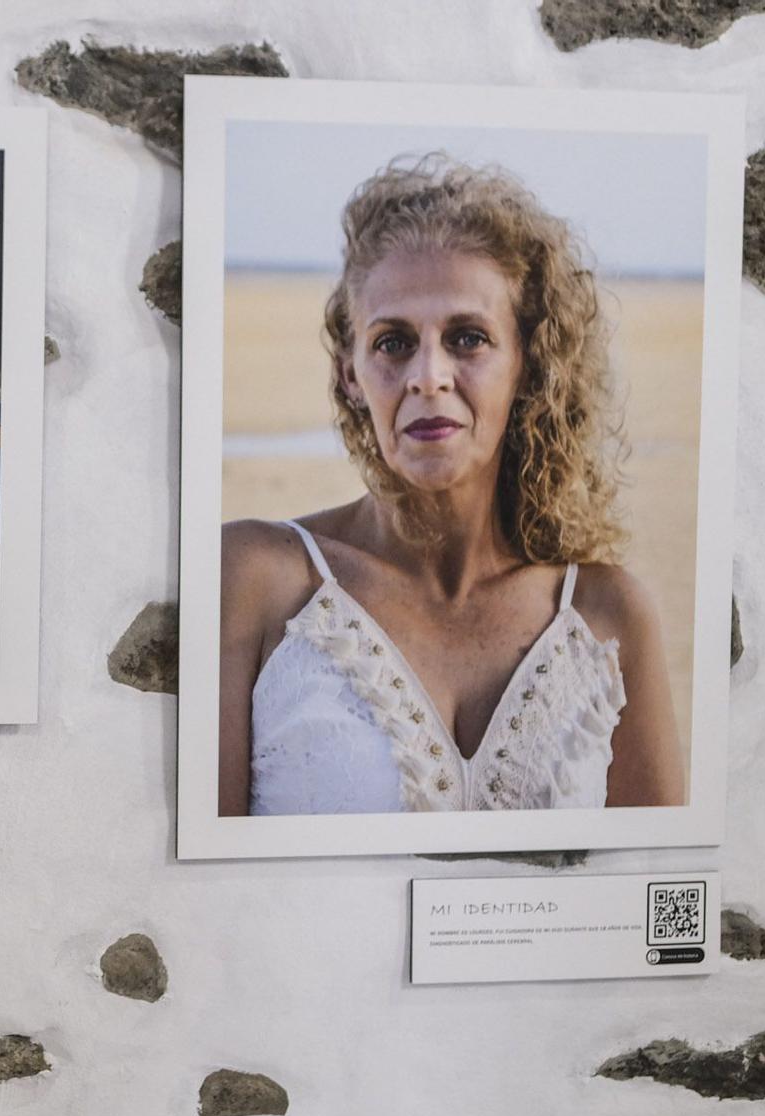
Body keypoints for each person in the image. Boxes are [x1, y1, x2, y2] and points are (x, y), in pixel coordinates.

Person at [218, 155, 685, 817]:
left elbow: (656, 893)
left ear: (528, 364)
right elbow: (197, 895)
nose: (428, 375)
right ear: (350, 373)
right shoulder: (257, 579)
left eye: (467, 338)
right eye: (392, 342)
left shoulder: (606, 616)